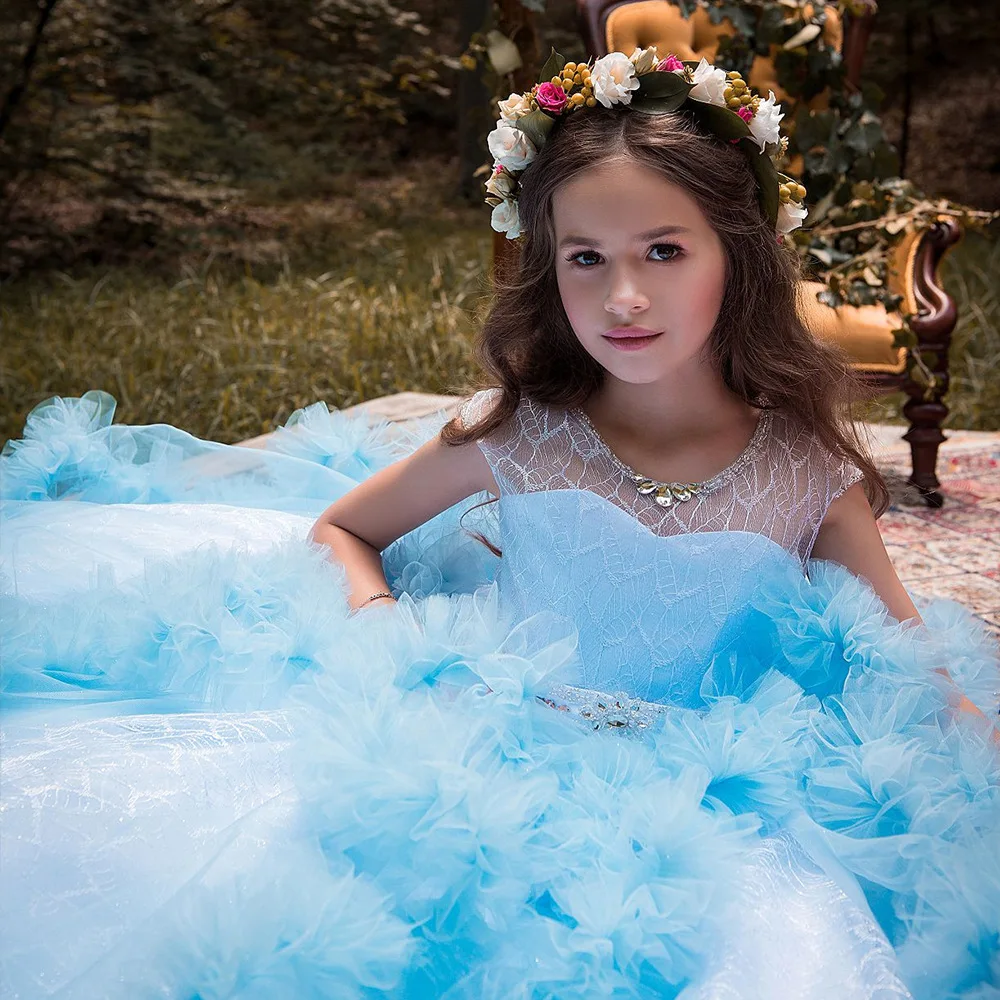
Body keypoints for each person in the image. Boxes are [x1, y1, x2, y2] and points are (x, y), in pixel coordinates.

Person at [1, 47, 998, 1000]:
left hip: (706, 804)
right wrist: (381, 620)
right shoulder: (526, 431)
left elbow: (918, 670)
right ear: (546, 267)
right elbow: (345, 529)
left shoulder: (804, 474)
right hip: (489, 761)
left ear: (736, 258)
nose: (624, 295)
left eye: (662, 249)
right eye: (584, 258)